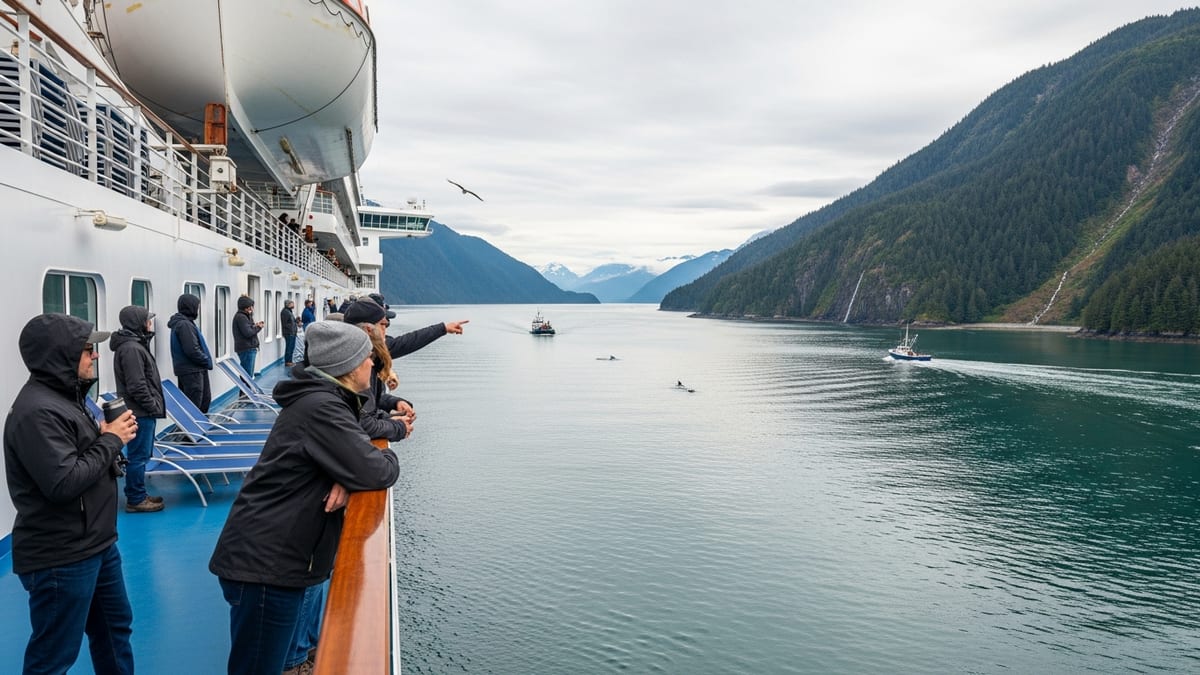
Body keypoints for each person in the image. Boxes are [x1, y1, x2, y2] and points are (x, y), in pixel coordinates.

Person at [209, 321, 400, 675]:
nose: (373, 364)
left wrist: (343, 472)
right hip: (266, 567)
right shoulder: (322, 409)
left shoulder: (325, 403)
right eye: (366, 358)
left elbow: (352, 458)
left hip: (275, 558)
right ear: (347, 366)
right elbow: (379, 470)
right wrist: (370, 462)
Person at [4, 313, 139, 673]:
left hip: (96, 543)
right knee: (54, 656)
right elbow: (63, 483)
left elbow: (75, 455)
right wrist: (112, 439)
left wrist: (98, 434)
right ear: (59, 356)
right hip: (61, 555)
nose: (94, 356)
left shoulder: (65, 399)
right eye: (86, 350)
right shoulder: (37, 412)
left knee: (114, 631)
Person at [111, 305, 166, 513]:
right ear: (137, 322)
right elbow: (137, 385)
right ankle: (135, 499)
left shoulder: (133, 345)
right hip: (140, 412)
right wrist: (152, 406)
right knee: (138, 457)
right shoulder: (132, 349)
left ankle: (139, 494)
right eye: (147, 320)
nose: (150, 324)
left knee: (140, 456)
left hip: (140, 411)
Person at [342, 296, 468, 360]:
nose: (386, 326)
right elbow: (408, 342)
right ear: (369, 330)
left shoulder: (349, 348)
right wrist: (443, 328)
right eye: (383, 324)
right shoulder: (358, 358)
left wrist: (394, 402)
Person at [168, 293, 214, 413]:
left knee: (201, 402)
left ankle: (198, 429)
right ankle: (194, 431)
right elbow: (192, 350)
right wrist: (206, 360)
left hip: (192, 370)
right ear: (190, 307)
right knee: (194, 406)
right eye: (196, 306)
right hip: (192, 372)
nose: (197, 309)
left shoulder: (184, 323)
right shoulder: (184, 325)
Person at [232, 295, 264, 377]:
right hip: (246, 349)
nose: (252, 309)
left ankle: (246, 389)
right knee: (247, 375)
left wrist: (255, 326)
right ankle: (244, 390)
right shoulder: (241, 317)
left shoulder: (245, 316)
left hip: (248, 348)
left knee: (248, 374)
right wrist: (258, 327)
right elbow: (248, 333)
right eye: (250, 307)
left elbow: (249, 329)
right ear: (246, 308)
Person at [281, 299, 298, 367]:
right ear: (288, 304)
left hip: (292, 332)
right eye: (292, 304)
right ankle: (288, 361)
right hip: (289, 333)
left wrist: (295, 321)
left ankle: (289, 360)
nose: (293, 305)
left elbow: (290, 321)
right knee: (289, 347)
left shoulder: (289, 311)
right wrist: (291, 327)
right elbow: (285, 323)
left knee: (291, 347)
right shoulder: (285, 312)